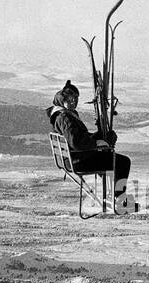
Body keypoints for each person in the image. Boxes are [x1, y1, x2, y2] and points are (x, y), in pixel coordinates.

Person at [48, 80, 137, 212]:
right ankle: (119, 202)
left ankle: (115, 198)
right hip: (78, 160)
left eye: (76, 99)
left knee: (109, 157)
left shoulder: (63, 114)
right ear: (63, 99)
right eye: (71, 99)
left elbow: (79, 138)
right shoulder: (65, 118)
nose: (74, 102)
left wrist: (99, 136)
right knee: (122, 162)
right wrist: (96, 143)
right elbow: (77, 143)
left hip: (73, 158)